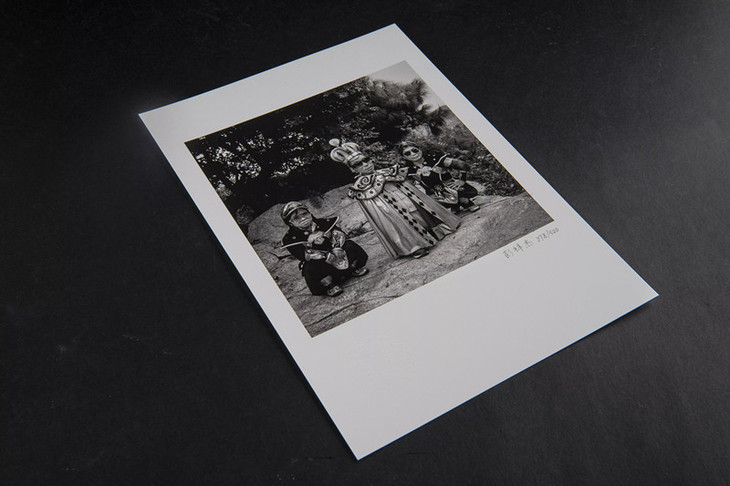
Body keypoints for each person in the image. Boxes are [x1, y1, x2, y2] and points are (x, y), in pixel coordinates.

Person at [329, 138, 459, 259]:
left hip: (405, 198)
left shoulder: (388, 171)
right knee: (397, 221)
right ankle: (414, 245)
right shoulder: (360, 187)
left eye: (366, 160)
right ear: (353, 169)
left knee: (417, 210)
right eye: (358, 164)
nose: (366, 164)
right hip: (388, 208)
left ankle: (434, 231)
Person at [281, 202, 369, 297]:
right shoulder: (290, 239)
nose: (303, 218)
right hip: (321, 263)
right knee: (310, 266)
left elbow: (339, 234)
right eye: (296, 218)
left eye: (304, 214)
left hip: (338, 254)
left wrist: (336, 247)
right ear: (290, 222)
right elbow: (302, 255)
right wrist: (312, 245)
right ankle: (330, 285)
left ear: (309, 213)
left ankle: (352, 269)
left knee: (349, 245)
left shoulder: (325, 223)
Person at [399, 142, 480, 213]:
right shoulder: (409, 170)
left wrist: (462, 180)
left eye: (414, 150)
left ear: (420, 149)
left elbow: (461, 164)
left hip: (450, 187)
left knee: (464, 200)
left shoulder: (435, 159)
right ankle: (454, 205)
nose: (413, 154)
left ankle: (463, 202)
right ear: (404, 157)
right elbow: (408, 186)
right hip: (434, 194)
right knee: (432, 205)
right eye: (407, 153)